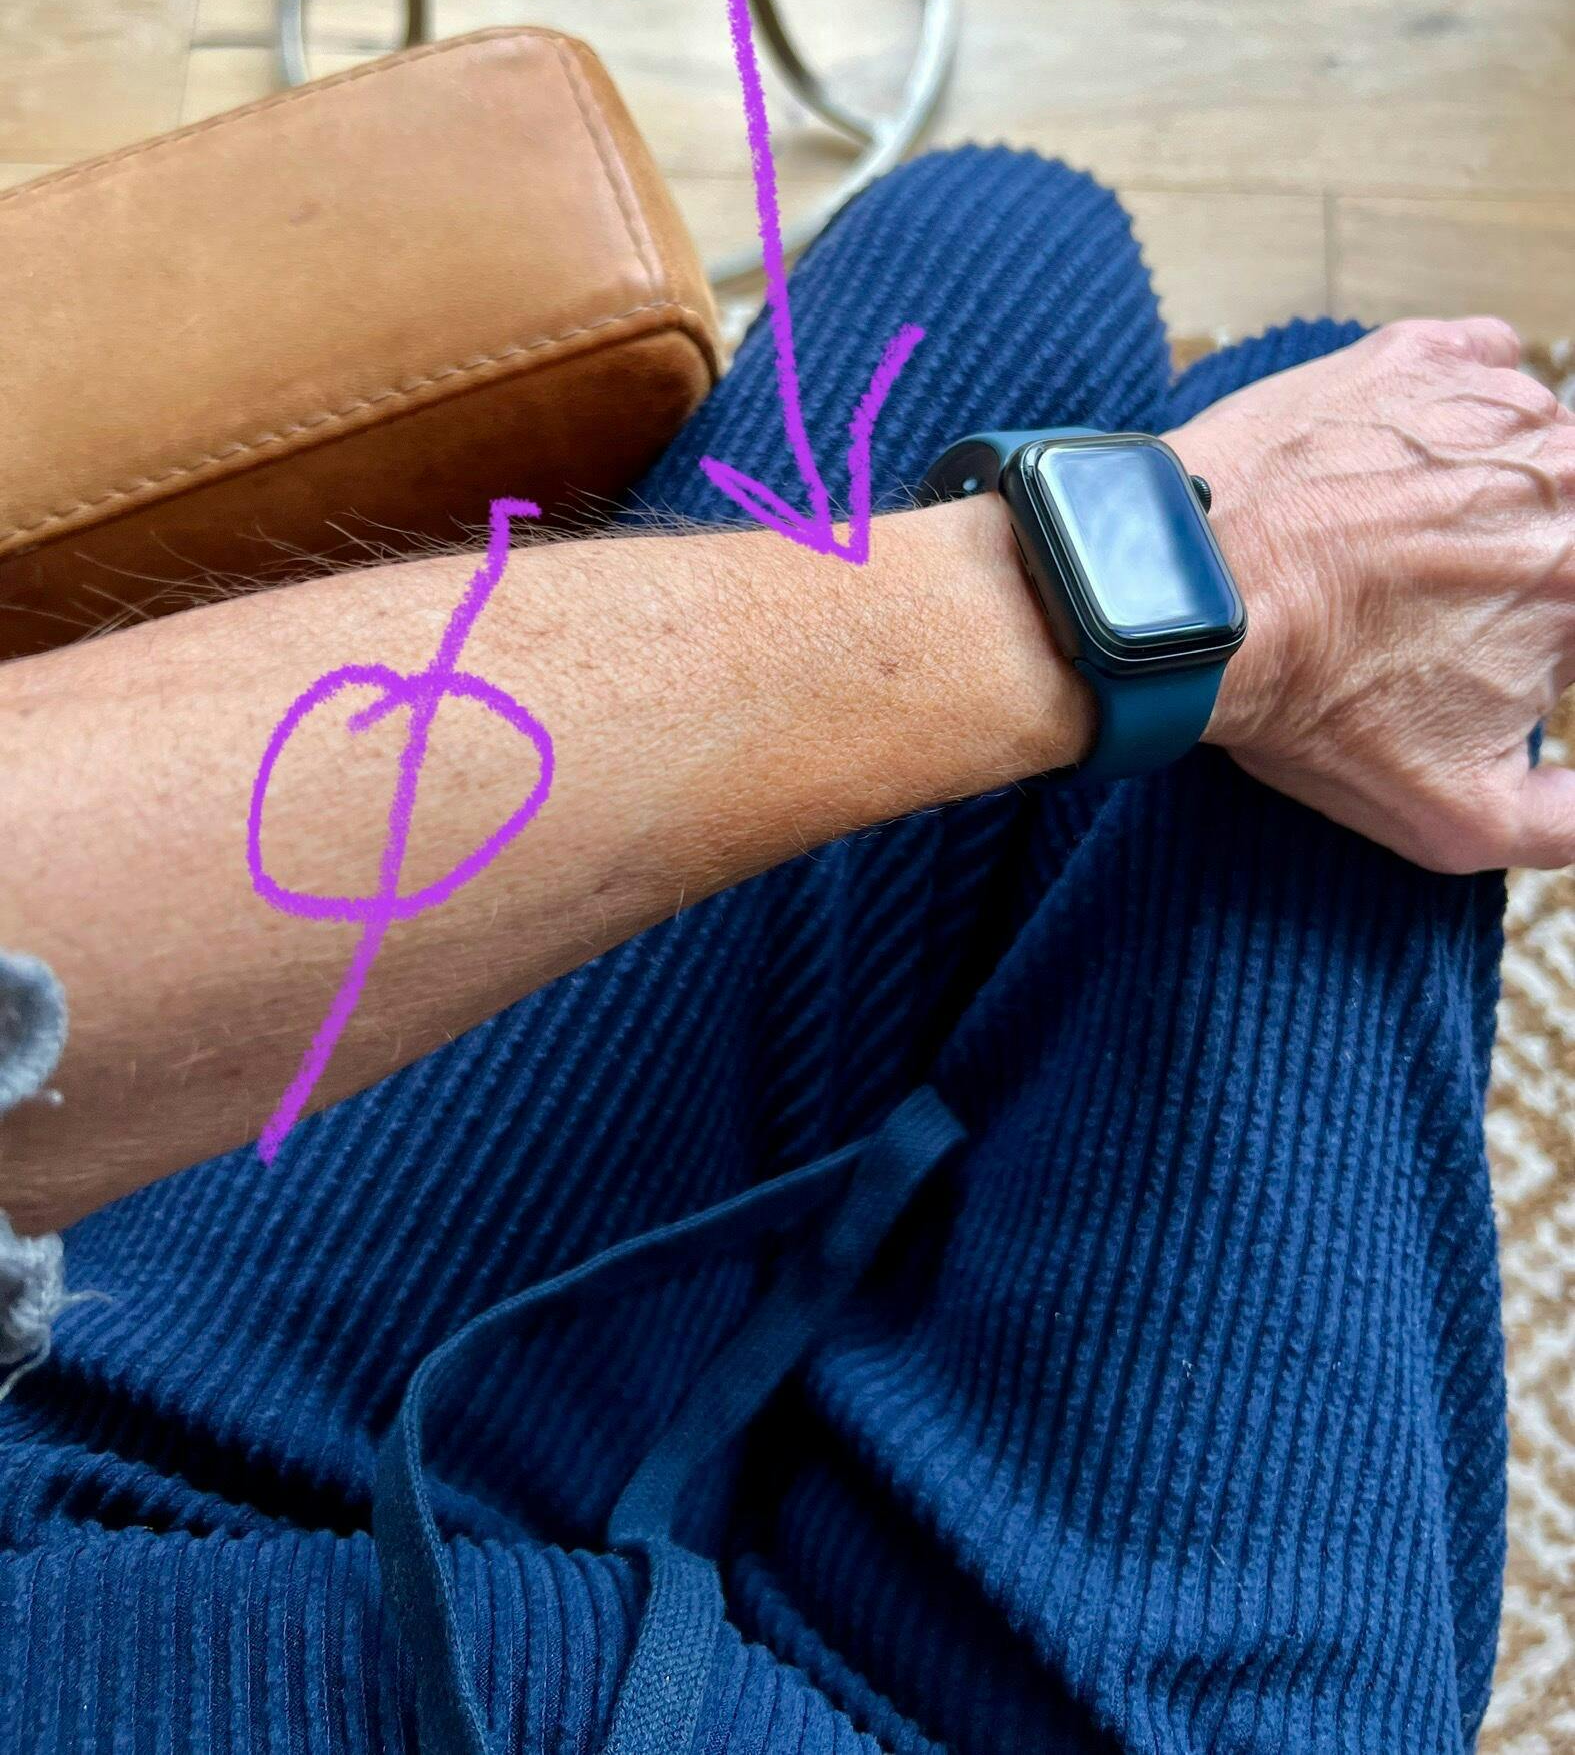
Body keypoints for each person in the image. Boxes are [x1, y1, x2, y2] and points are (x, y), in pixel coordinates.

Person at [0, 145, 1568, 1753]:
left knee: (1002, 254)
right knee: (1333, 509)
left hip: (106, 1526)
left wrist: (1095, 583)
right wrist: (1179, 580)